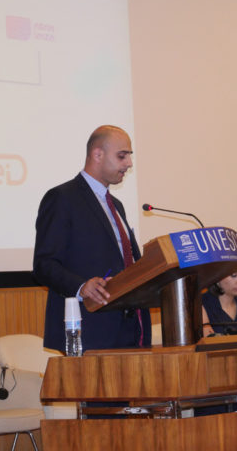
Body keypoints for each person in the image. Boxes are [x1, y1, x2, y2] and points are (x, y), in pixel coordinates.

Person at [33, 125, 151, 352]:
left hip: (130, 329)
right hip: (90, 330)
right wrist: (81, 287)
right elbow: (44, 264)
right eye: (122, 156)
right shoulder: (62, 198)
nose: (129, 163)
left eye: (129, 156)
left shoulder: (116, 206)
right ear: (97, 154)